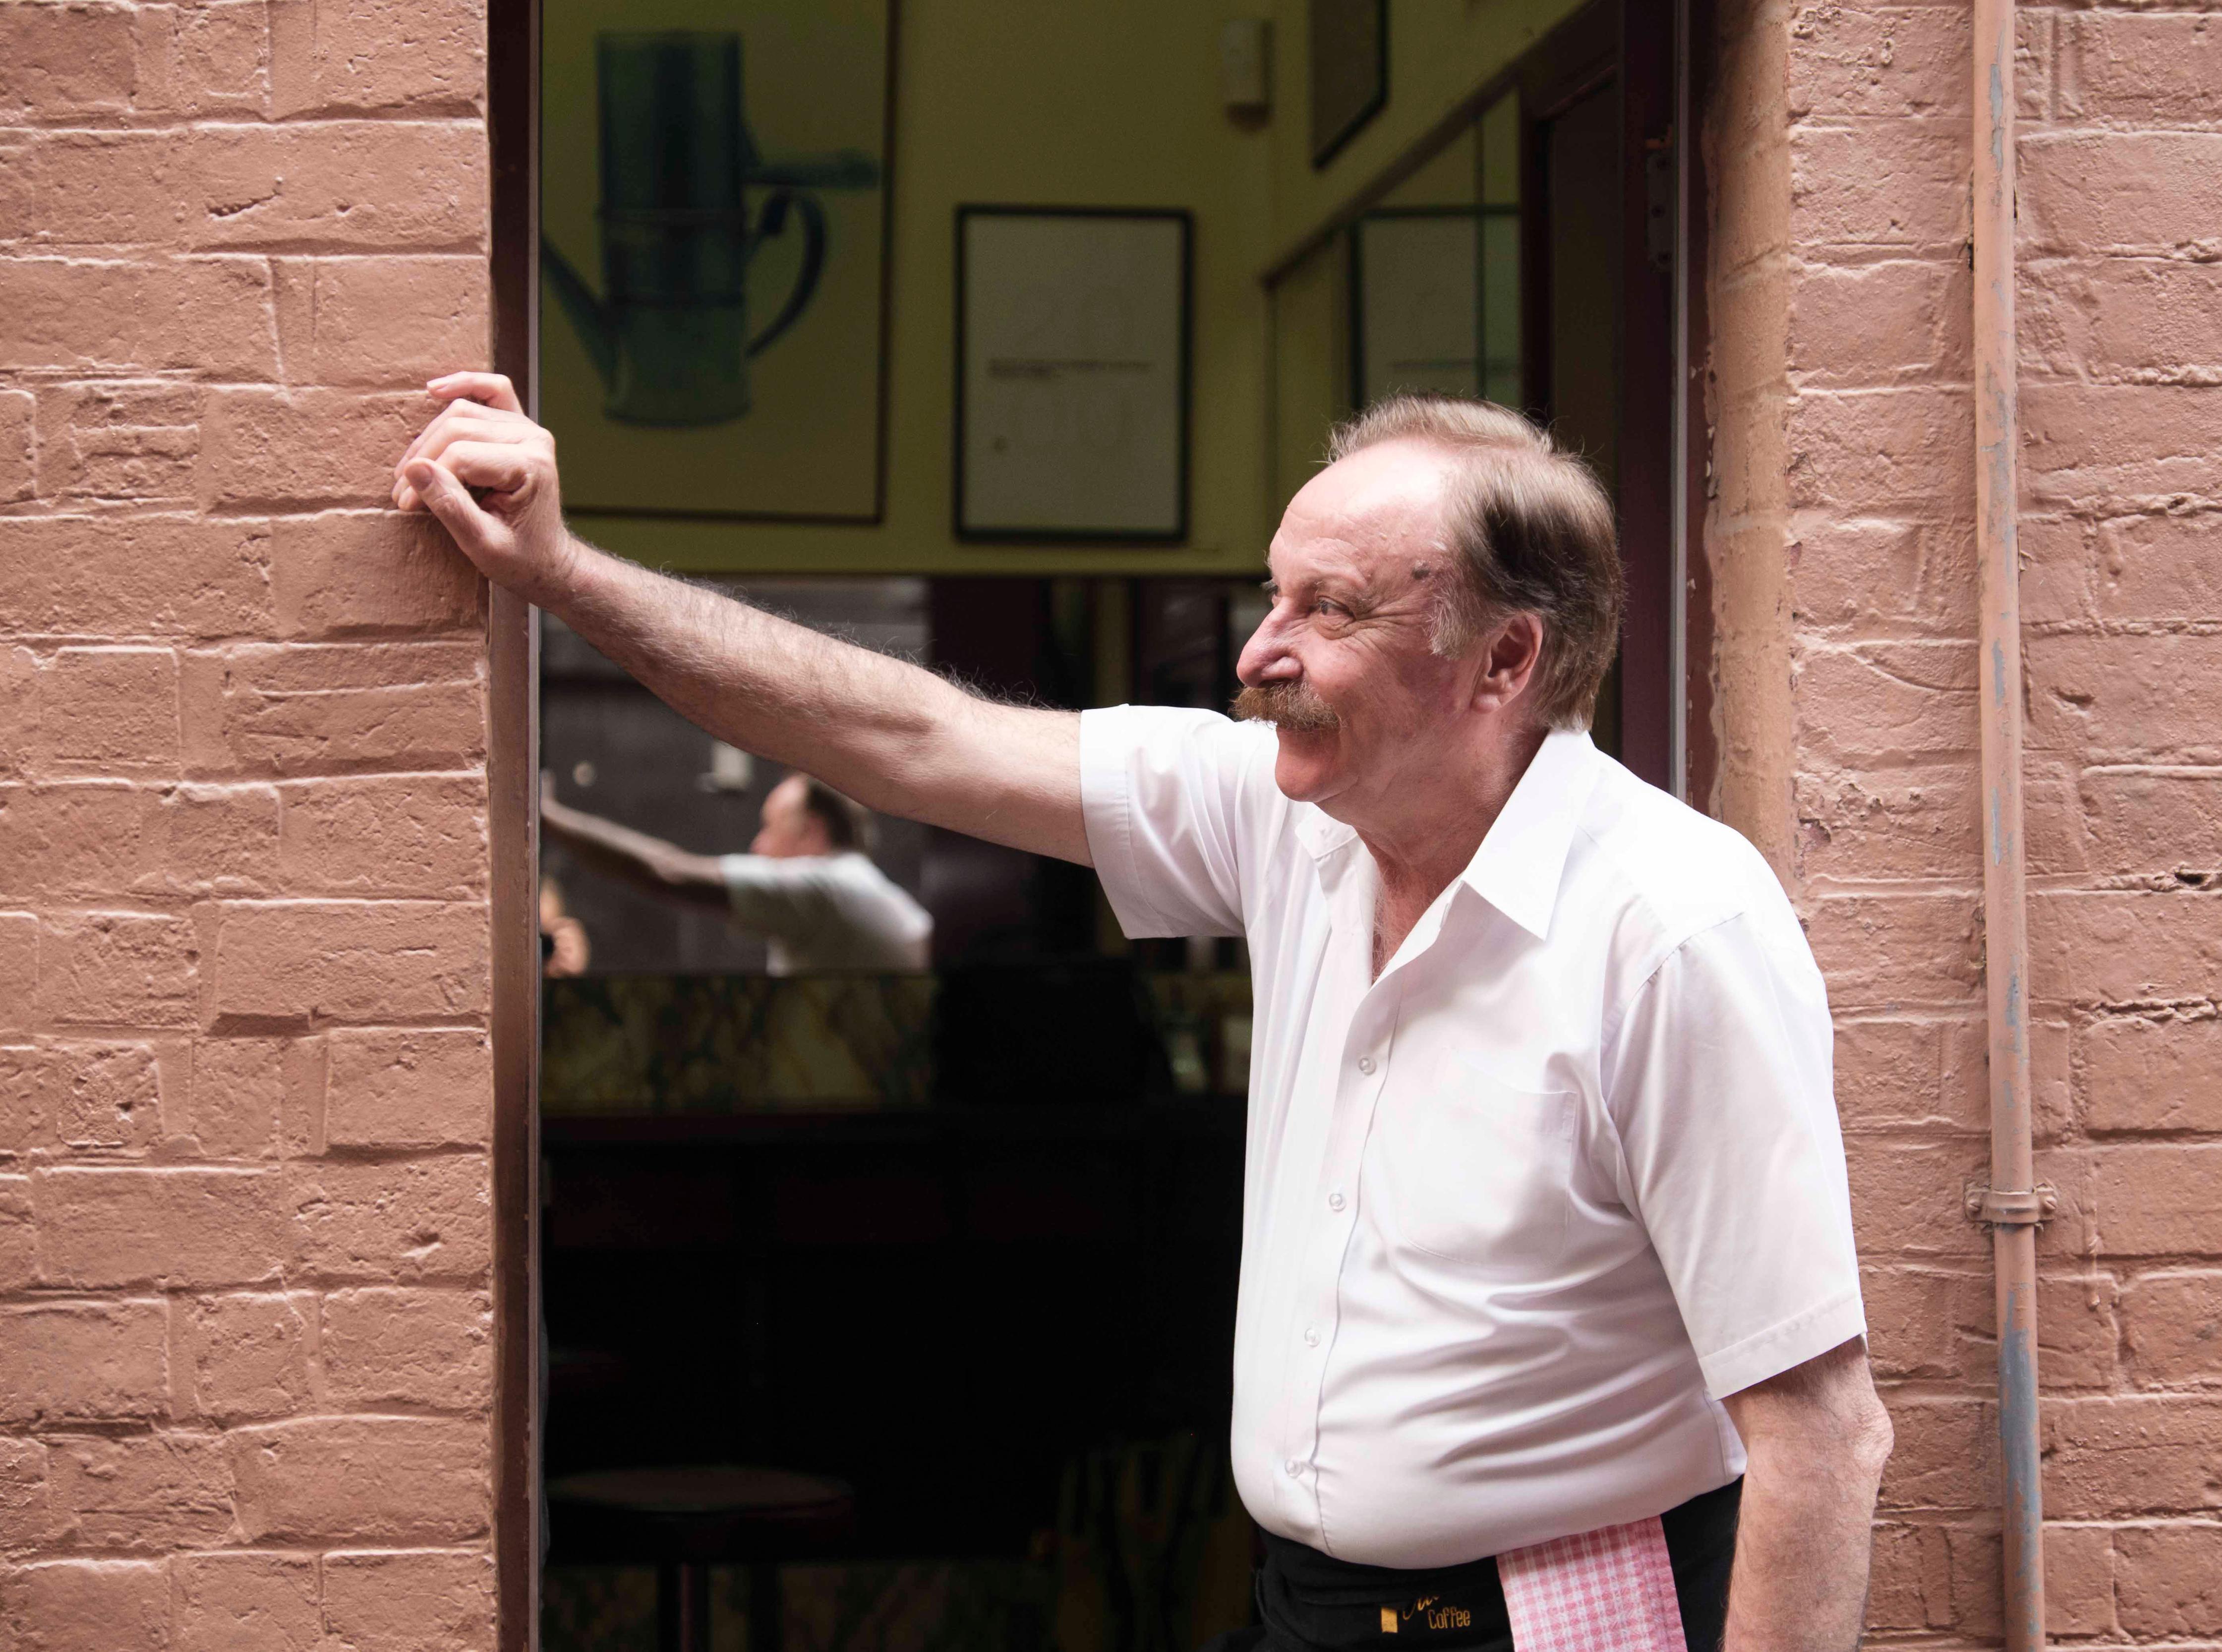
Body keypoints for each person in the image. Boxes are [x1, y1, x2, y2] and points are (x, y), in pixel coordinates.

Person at [392, 372, 1888, 1652]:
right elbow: (912, 736)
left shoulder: (1672, 925)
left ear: (1505, 658)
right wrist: (563, 573)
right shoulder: (1283, 818)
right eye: (1270, 594)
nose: (1257, 653)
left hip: (1558, 1618)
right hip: (1311, 1606)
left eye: (1329, 608)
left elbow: (1821, 1433)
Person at [541, 771, 932, 973]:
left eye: (770, 828)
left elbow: (666, 872)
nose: (758, 846)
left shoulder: (828, 887)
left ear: (811, 830)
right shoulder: (858, 884)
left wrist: (547, 816)